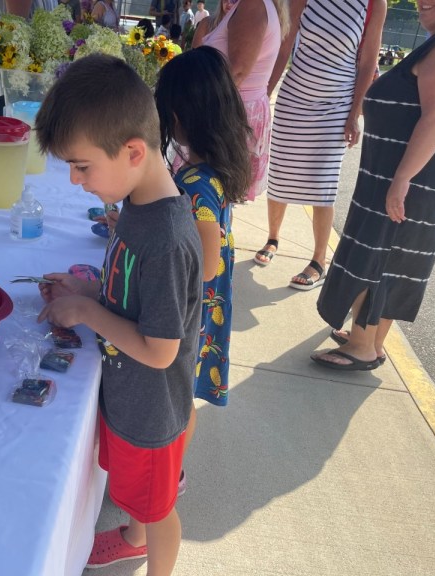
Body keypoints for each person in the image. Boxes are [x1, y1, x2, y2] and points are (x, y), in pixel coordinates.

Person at [34, 54, 203, 574]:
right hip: (126, 396)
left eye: (82, 166)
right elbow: (131, 295)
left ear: (132, 151)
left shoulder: (168, 240)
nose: (74, 180)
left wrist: (86, 309)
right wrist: (88, 286)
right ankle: (133, 534)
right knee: (136, 497)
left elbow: (159, 349)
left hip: (151, 413)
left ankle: (153, 557)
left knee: (159, 509)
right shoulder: (135, 201)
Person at [311, 0, 435, 370]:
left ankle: (361, 346)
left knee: (380, 253)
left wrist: (403, 178)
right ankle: (370, 341)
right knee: (393, 258)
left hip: (418, 179)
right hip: (418, 176)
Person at [154, 47, 250, 483]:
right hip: (204, 310)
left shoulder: (195, 186)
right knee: (181, 399)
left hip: (192, 313)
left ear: (177, 114)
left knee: (177, 401)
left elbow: (205, 264)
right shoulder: (209, 170)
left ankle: (169, 475)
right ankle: (171, 471)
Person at [254, 0, 386, 290]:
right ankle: (273, 237)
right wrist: (263, 96)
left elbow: (367, 62)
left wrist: (354, 114)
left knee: (322, 181)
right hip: (294, 98)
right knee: (280, 171)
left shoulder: (375, 4)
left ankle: (318, 260)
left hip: (337, 104)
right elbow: (285, 46)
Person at [192, 0, 288, 203]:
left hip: (226, 116)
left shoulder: (252, 5)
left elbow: (236, 72)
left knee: (205, 197)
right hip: (233, 112)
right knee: (215, 199)